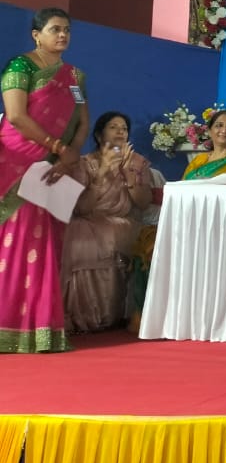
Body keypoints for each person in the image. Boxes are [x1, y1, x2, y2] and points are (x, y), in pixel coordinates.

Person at [0, 8, 87, 354]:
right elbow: (16, 116)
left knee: (43, 242)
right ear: (36, 34)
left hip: (53, 167)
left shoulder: (75, 77)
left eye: (67, 30)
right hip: (16, 162)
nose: (62, 35)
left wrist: (69, 156)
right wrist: (57, 147)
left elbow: (82, 120)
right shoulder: (20, 67)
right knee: (15, 237)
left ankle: (38, 329)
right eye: (55, 29)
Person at [62, 111, 153, 333]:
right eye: (113, 127)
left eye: (124, 128)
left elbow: (143, 203)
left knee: (104, 235)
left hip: (123, 222)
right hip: (88, 220)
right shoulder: (84, 164)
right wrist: (102, 173)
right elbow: (82, 209)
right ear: (99, 135)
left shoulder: (138, 162)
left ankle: (109, 315)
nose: (120, 131)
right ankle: (80, 315)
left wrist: (129, 174)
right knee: (74, 236)